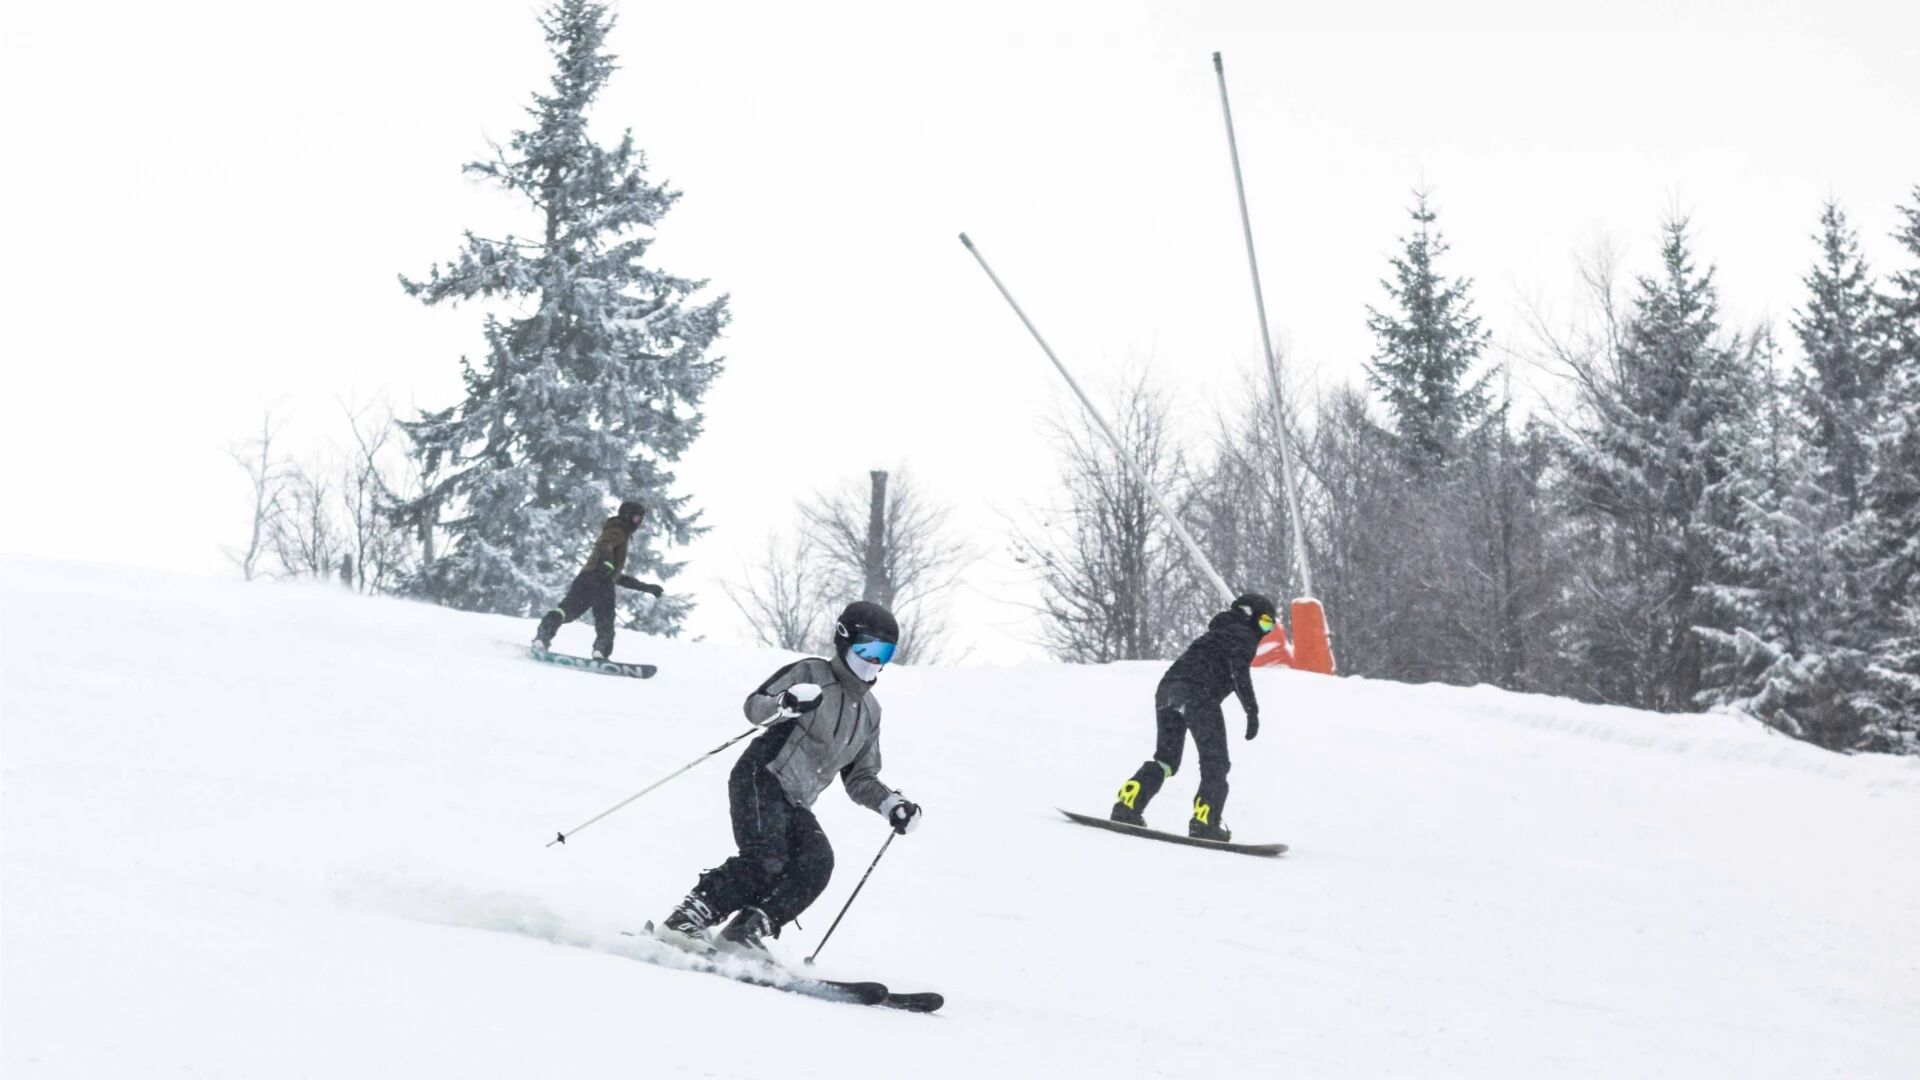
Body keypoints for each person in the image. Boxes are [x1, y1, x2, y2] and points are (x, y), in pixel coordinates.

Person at [661, 600, 924, 955]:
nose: (874, 660)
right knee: (766, 857)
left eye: (885, 653)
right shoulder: (812, 673)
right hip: (762, 775)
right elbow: (755, 706)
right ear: (844, 638)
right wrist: (785, 703)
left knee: (817, 863)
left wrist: (891, 804)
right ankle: (685, 920)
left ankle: (744, 933)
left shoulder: (869, 712)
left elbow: (860, 776)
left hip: (796, 800)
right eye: (867, 648)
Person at [1109, 592, 1277, 842]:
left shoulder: (1217, 632)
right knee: (1215, 763)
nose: (1265, 632)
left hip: (1167, 691)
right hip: (1199, 695)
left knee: (1166, 760)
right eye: (1264, 623)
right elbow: (1239, 672)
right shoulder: (1243, 634)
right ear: (1249, 615)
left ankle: (1128, 803)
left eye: (1270, 627)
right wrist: (1252, 711)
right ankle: (1205, 821)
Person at [531, 500, 664, 660]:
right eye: (637, 518)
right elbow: (605, 544)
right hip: (601, 582)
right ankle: (601, 651)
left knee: (567, 611)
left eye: (641, 519)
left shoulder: (617, 531)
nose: (639, 523)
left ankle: (542, 637)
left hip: (587, 578)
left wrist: (646, 587)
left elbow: (616, 575)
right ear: (627, 515)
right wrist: (606, 561)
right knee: (605, 620)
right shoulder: (618, 529)